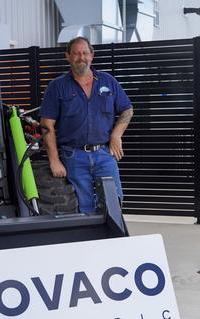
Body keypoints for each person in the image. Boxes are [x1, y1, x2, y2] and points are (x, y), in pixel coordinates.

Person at [40, 36, 134, 213]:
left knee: (113, 202)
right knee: (84, 206)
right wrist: (54, 160)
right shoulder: (57, 86)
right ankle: (91, 239)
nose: (81, 57)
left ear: (92, 55)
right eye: (76, 53)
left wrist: (116, 135)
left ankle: (111, 239)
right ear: (67, 56)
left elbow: (127, 110)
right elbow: (46, 125)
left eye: (84, 53)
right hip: (74, 156)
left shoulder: (108, 81)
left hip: (105, 154)